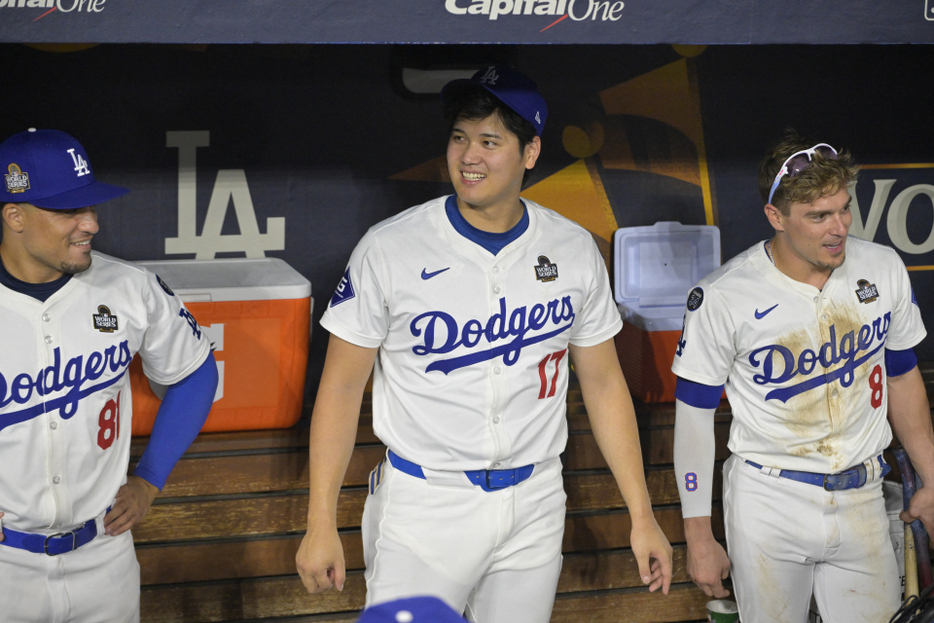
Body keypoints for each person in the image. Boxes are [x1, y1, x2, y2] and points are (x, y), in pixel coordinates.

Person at [295, 65, 672, 621]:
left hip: (536, 499)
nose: (468, 156)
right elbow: (342, 387)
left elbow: (603, 380)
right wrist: (320, 521)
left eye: (490, 141)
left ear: (530, 152)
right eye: (459, 138)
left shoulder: (571, 248)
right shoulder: (391, 247)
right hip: (426, 505)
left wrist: (642, 514)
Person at [672, 132, 934, 622]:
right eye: (818, 216)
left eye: (843, 209)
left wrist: (933, 477)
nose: (838, 228)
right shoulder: (724, 295)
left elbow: (901, 376)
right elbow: (693, 419)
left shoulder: (882, 267)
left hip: (862, 494)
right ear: (776, 217)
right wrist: (698, 534)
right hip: (770, 498)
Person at [0, 128, 218, 622]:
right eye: (68, 211)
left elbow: (196, 372)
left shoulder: (129, 288)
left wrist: (150, 479)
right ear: (15, 215)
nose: (91, 224)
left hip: (104, 555)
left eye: (92, 207)